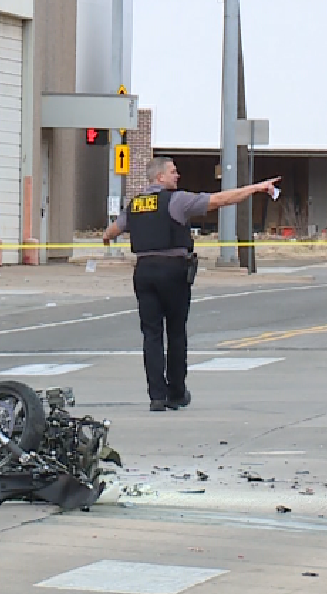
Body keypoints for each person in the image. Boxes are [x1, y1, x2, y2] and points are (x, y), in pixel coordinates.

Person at [103, 157, 279, 411]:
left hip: (143, 271)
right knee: (176, 332)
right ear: (160, 177)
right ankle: (176, 392)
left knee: (151, 335)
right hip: (173, 271)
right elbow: (220, 200)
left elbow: (114, 230)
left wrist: (106, 240)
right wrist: (256, 188)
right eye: (173, 171)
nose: (178, 175)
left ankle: (156, 396)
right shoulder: (177, 200)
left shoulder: (136, 204)